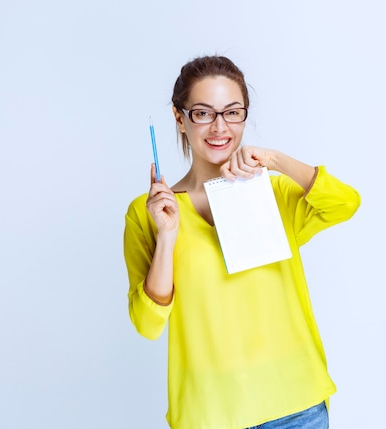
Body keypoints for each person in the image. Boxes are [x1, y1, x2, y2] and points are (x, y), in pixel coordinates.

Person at [123, 55, 360, 429]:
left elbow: (345, 204)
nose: (220, 127)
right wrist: (167, 237)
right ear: (179, 117)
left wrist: (275, 160)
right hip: (208, 414)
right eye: (203, 113)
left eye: (233, 112)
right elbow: (148, 324)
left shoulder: (275, 193)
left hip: (296, 408)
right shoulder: (149, 212)